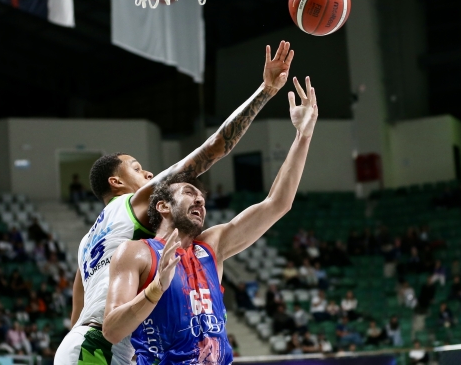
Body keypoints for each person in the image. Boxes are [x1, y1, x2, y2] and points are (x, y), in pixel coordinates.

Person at [56, 41, 296, 365]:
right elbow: (214, 148)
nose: (148, 174)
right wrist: (265, 92)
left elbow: (77, 314)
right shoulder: (135, 203)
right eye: (137, 169)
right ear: (116, 182)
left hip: (82, 343)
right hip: (102, 345)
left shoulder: (88, 242)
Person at [101, 78, 317, 365]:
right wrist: (155, 289)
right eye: (189, 193)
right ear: (163, 206)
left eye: (202, 197)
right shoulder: (136, 252)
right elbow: (112, 330)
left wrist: (303, 136)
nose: (200, 201)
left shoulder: (211, 246)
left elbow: (277, 204)